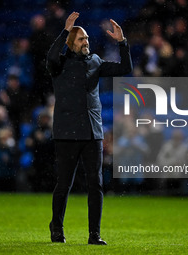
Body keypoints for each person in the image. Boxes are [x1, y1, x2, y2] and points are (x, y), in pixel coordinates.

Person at [46, 12, 132, 245]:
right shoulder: (60, 64)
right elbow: (50, 57)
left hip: (92, 133)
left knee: (96, 185)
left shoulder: (95, 61)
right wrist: (65, 30)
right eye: (81, 39)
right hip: (67, 133)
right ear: (71, 43)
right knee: (64, 183)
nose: (86, 42)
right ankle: (57, 228)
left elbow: (125, 67)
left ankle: (94, 234)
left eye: (86, 39)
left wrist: (122, 42)